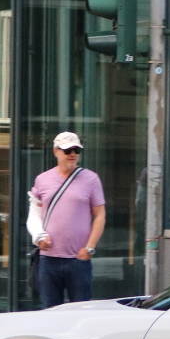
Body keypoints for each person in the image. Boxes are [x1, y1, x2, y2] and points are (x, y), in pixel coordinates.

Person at [27, 131, 106, 308]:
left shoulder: (91, 179)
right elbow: (34, 214)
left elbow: (100, 215)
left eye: (76, 150)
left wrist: (89, 248)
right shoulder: (42, 179)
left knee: (80, 313)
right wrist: (39, 236)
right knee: (49, 311)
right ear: (56, 151)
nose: (72, 154)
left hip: (78, 259)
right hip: (49, 259)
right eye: (67, 150)